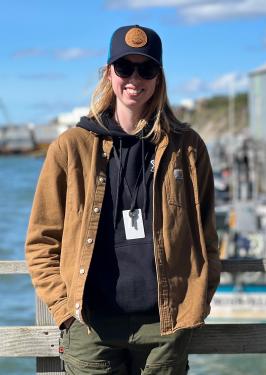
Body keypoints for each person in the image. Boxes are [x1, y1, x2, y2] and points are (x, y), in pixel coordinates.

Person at [25, 24, 221, 375]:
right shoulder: (71, 147)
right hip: (91, 327)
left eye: (146, 68)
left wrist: (198, 302)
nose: (135, 78)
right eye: (124, 67)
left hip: (166, 327)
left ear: (158, 77)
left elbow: (207, 236)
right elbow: (42, 241)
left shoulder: (187, 148)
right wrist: (64, 311)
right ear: (108, 72)